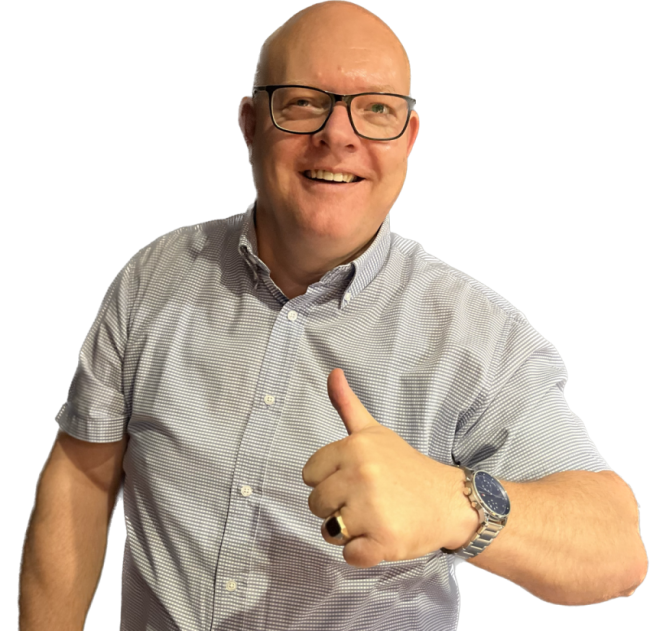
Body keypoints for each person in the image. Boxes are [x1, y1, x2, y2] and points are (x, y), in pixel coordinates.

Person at [18, 1, 647, 630]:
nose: (338, 136)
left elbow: (616, 551)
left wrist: (451, 505)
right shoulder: (155, 274)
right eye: (302, 103)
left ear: (410, 139)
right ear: (249, 124)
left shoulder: (478, 335)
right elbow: (81, 477)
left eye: (376, 110)